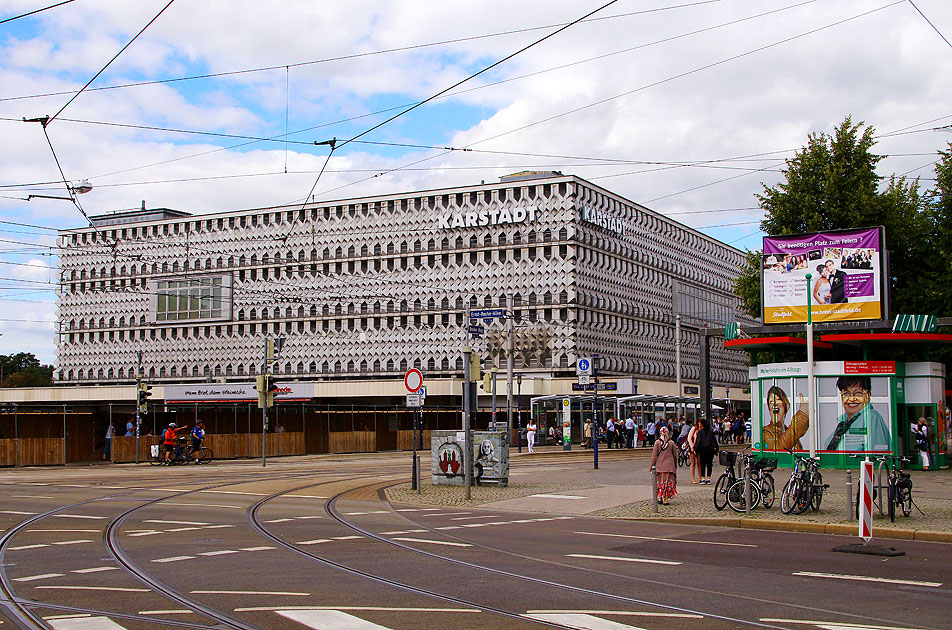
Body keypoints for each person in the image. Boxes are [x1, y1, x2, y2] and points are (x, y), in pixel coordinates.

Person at [823, 376, 890, 452]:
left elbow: (878, 458)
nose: (852, 399)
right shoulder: (843, 424)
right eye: (847, 393)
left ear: (868, 396)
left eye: (858, 393)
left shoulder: (871, 417)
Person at [762, 385, 809, 451]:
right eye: (771, 402)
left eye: (778, 400)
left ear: (786, 406)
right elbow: (778, 450)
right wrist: (802, 415)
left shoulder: (793, 437)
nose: (774, 404)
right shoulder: (765, 432)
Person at [649, 426, 677, 505]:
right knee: (667, 483)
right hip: (670, 467)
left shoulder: (657, 443)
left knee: (660, 483)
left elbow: (654, 456)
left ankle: (660, 497)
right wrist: (675, 465)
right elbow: (675, 456)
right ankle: (666, 499)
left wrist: (652, 466)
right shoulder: (671, 443)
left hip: (660, 467)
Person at [693, 418, 718, 484]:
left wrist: (695, 449)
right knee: (709, 464)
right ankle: (709, 478)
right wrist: (717, 449)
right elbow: (715, 441)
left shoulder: (700, 432)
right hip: (711, 449)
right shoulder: (710, 432)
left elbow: (698, 442)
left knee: (702, 464)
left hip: (703, 449)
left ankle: (703, 478)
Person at [686, 419, 700, 484]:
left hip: (699, 448)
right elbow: (689, 438)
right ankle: (693, 478)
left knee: (699, 464)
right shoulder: (693, 429)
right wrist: (692, 447)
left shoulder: (701, 429)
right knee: (693, 464)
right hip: (692, 448)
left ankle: (700, 477)